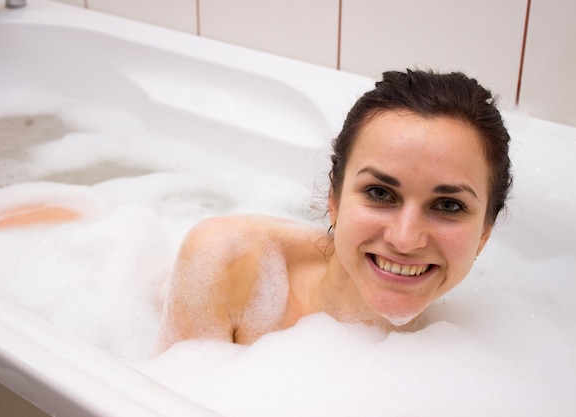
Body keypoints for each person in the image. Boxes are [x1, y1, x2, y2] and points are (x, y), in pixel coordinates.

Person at [156, 69, 512, 352]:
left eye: (448, 205)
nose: (405, 239)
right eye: (380, 193)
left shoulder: (471, 354)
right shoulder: (228, 262)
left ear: (484, 233)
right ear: (335, 200)